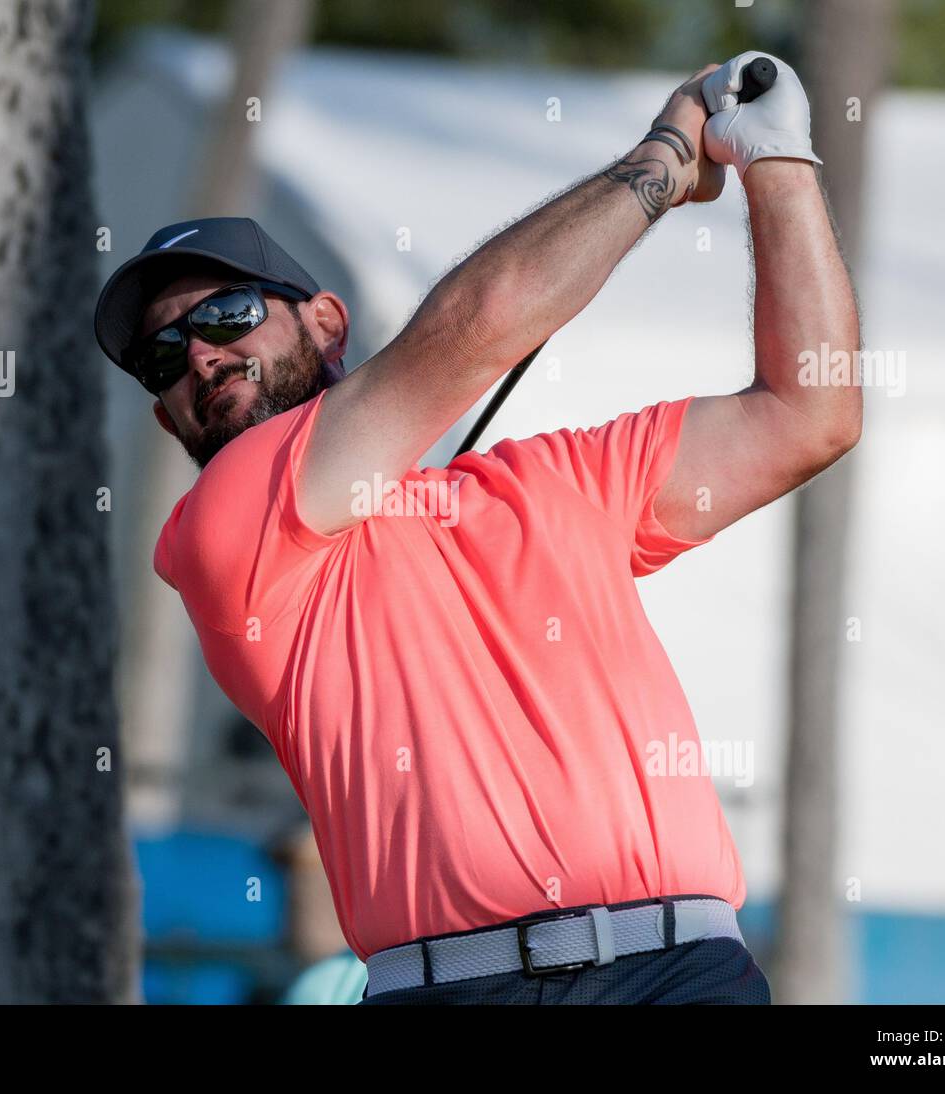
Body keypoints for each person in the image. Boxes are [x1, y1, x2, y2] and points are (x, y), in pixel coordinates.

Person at [93, 52, 860, 1004]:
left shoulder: (554, 480)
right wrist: (666, 155)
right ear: (166, 419)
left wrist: (779, 165)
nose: (201, 356)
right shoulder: (220, 538)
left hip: (683, 973)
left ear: (328, 325)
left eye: (229, 314)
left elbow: (809, 410)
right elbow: (481, 324)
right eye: (165, 354)